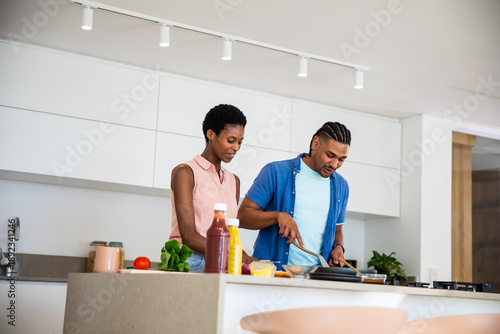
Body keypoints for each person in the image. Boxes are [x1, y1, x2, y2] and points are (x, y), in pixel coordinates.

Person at [238, 121, 351, 270]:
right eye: (330, 155)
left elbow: (337, 230)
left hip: (316, 278)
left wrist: (338, 247)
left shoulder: (341, 186)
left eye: (341, 159)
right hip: (273, 275)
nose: (335, 164)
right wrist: (278, 216)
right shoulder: (275, 172)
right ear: (315, 144)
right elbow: (242, 217)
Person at [169, 104, 256, 273]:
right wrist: (234, 253)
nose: (236, 148)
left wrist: (243, 255)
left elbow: (230, 232)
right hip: (190, 261)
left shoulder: (233, 181)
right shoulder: (185, 172)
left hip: (224, 262)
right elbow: (189, 236)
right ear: (211, 135)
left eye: (240, 142)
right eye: (230, 141)